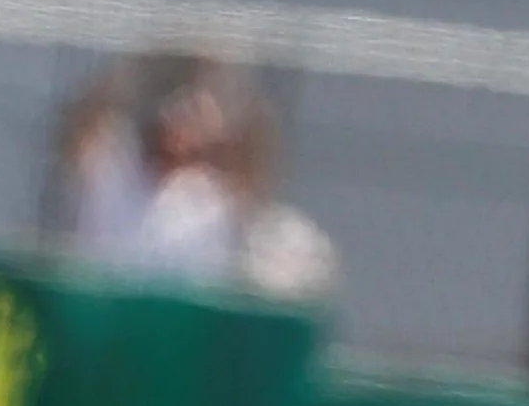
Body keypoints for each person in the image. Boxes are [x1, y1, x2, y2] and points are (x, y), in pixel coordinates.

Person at [41, 52, 336, 301]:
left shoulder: (208, 199)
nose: (179, 133)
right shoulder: (113, 177)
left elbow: (255, 163)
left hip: (182, 327)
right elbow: (80, 127)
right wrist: (139, 61)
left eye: (191, 125)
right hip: (108, 313)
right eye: (172, 120)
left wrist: (230, 84)